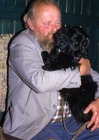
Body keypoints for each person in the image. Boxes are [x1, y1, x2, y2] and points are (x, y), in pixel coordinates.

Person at [3, 0, 99, 140]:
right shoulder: (21, 44)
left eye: (57, 22)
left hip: (72, 122)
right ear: (31, 24)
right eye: (47, 23)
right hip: (36, 126)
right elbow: (39, 81)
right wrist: (79, 71)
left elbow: (92, 74)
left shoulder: (60, 43)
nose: (55, 29)